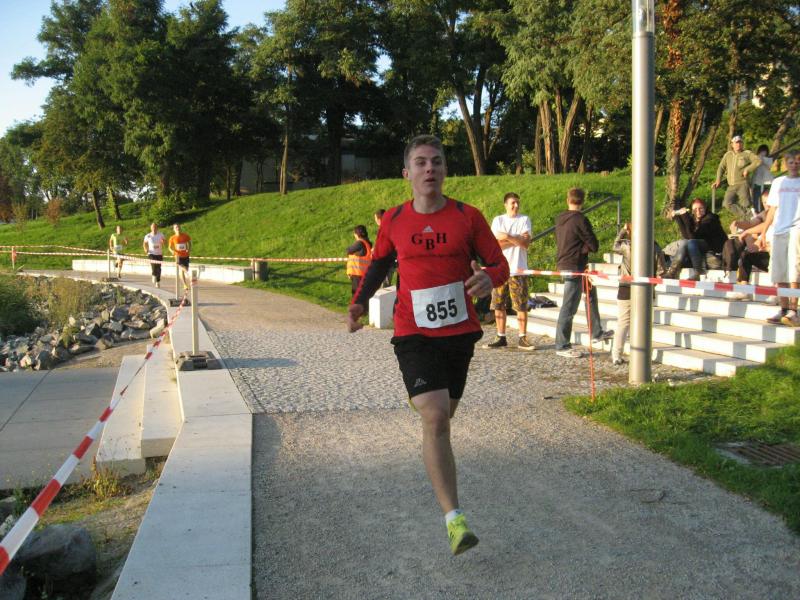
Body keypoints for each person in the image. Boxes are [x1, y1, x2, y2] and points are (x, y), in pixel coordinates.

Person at [347, 135, 508, 555]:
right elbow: (379, 264)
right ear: (407, 173)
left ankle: (430, 420)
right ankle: (455, 520)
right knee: (435, 418)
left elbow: (499, 263)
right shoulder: (395, 220)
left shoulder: (467, 217)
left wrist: (489, 278)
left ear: (445, 170)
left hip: (459, 333)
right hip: (413, 332)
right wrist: (359, 302)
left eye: (436, 161)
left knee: (443, 418)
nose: (429, 168)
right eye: (420, 162)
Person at [553, 187, 614, 358]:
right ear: (583, 201)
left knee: (590, 294)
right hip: (574, 266)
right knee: (569, 307)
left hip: (565, 263)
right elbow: (593, 245)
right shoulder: (580, 219)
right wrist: (583, 248)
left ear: (568, 200)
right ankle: (562, 345)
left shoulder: (560, 218)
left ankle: (596, 332)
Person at [611, 223, 667, 365]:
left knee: (623, 323)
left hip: (625, 287)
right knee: (644, 323)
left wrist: (623, 231)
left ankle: (616, 355)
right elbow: (661, 271)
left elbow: (614, 246)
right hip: (646, 289)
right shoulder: (655, 247)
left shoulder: (626, 245)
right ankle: (643, 355)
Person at [486, 192, 534, 350]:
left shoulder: (524, 220)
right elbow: (495, 245)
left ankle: (522, 337)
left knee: (521, 305)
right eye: (513, 203)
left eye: (517, 203)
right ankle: (501, 336)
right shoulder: (498, 220)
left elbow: (526, 244)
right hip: (500, 269)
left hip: (518, 269)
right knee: (498, 304)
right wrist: (516, 239)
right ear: (505, 205)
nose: (516, 205)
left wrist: (506, 236)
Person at [757, 151, 800, 326]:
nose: (794, 165)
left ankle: (793, 311)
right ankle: (783, 309)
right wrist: (763, 232)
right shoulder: (778, 183)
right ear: (786, 163)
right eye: (791, 162)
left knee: (794, 271)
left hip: (796, 229)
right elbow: (772, 210)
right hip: (779, 230)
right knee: (779, 271)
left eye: (797, 162)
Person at [664, 198, 727, 280]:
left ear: (705, 208)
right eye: (695, 209)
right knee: (684, 242)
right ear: (692, 210)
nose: (698, 211)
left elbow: (693, 237)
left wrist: (685, 217)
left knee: (691, 242)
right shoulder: (693, 219)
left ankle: (698, 272)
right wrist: (678, 218)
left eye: (701, 208)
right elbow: (686, 236)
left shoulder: (710, 219)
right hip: (699, 245)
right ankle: (672, 272)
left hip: (714, 246)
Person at [712, 134, 762, 219]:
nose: (738, 144)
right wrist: (718, 180)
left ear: (742, 143)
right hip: (731, 185)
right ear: (732, 144)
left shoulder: (747, 153)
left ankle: (747, 221)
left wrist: (748, 169)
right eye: (736, 143)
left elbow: (758, 161)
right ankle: (750, 215)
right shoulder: (728, 155)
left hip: (743, 184)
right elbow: (721, 167)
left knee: (745, 205)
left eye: (740, 142)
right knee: (727, 204)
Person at [345, 224, 372, 296]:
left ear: (357, 234)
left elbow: (348, 250)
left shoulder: (360, 243)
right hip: (363, 274)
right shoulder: (367, 243)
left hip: (357, 275)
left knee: (356, 296)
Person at [374, 208, 395, 287]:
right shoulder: (391, 227)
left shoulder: (384, 229)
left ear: (379, 219)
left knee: (385, 287)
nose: (375, 221)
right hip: (391, 260)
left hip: (385, 261)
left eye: (375, 218)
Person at [168, 223, 192, 290]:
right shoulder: (172, 238)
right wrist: (172, 251)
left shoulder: (185, 236)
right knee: (183, 268)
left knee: (185, 269)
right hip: (177, 256)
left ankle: (185, 284)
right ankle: (185, 284)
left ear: (180, 228)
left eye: (178, 227)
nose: (177, 228)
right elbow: (169, 247)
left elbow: (189, 243)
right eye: (176, 227)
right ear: (174, 229)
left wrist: (189, 249)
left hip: (185, 255)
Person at [143, 222, 166, 288]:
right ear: (151, 228)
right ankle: (153, 275)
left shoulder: (161, 234)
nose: (154, 228)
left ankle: (158, 281)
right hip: (151, 253)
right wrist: (145, 249)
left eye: (155, 227)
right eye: (153, 227)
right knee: (154, 266)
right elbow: (144, 243)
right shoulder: (148, 236)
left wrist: (163, 242)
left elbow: (165, 242)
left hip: (159, 254)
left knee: (159, 268)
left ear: (157, 228)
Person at [752, 144, 774, 212]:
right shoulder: (755, 159)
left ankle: (767, 213)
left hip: (766, 183)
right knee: (757, 200)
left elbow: (769, 167)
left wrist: (762, 161)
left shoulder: (768, 160)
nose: (763, 153)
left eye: (764, 151)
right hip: (757, 183)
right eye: (761, 151)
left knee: (766, 200)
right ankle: (758, 213)